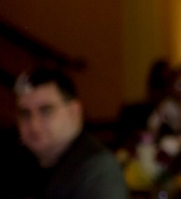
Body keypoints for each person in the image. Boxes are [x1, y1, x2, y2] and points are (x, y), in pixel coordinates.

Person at [11, 67, 129, 199]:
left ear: (74, 112)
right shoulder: (20, 164)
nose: (34, 124)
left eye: (45, 111)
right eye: (25, 114)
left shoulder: (96, 170)